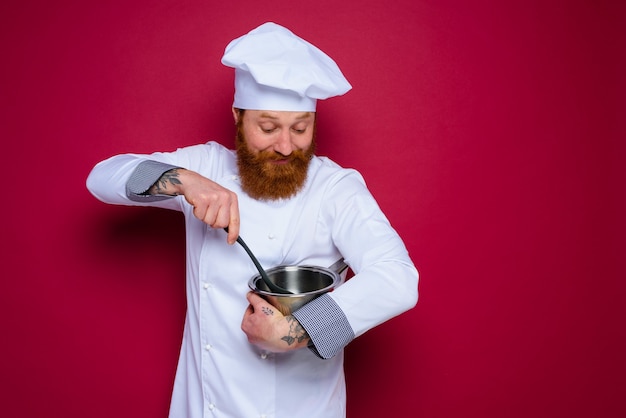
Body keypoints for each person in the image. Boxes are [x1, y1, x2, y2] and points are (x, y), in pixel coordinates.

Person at [87, 22, 418, 418]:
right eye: (267, 127)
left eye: (300, 128)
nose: (285, 145)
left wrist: (296, 332)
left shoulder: (335, 188)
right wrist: (186, 182)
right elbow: (104, 177)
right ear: (238, 117)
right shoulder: (206, 164)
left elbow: (397, 277)